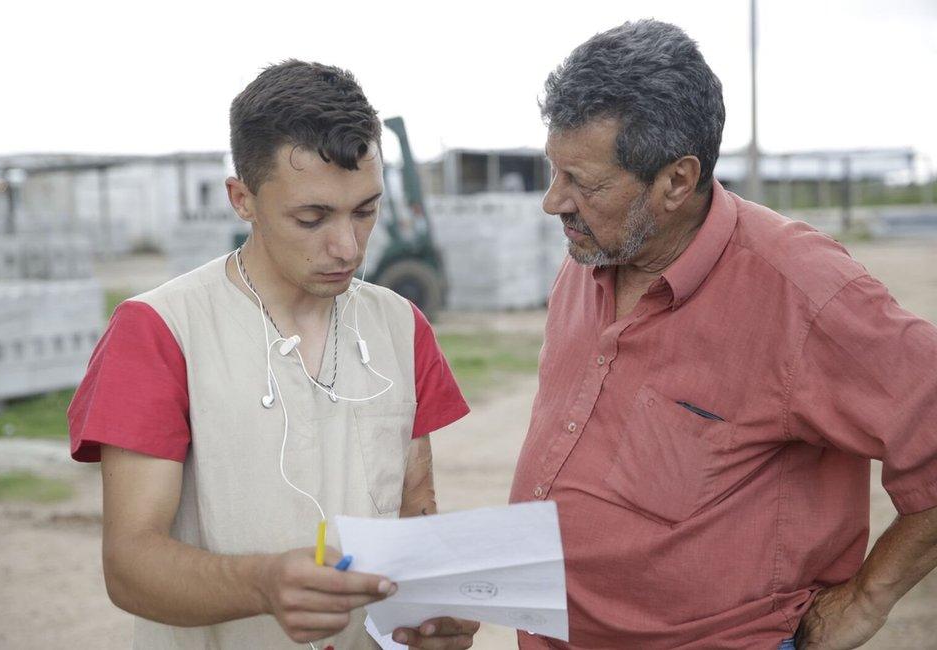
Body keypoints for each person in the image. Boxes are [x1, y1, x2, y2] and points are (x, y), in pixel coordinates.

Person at [509, 20, 937, 650]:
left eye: (584, 183)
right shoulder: (593, 255)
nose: (554, 202)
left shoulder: (803, 292)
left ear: (677, 182)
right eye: (555, 172)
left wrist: (865, 601)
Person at [68, 60, 479, 649]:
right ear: (243, 199)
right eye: (312, 217)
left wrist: (434, 615)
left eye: (365, 210)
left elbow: (416, 512)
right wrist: (262, 585)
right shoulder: (159, 330)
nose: (348, 247)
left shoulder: (400, 326)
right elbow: (129, 566)